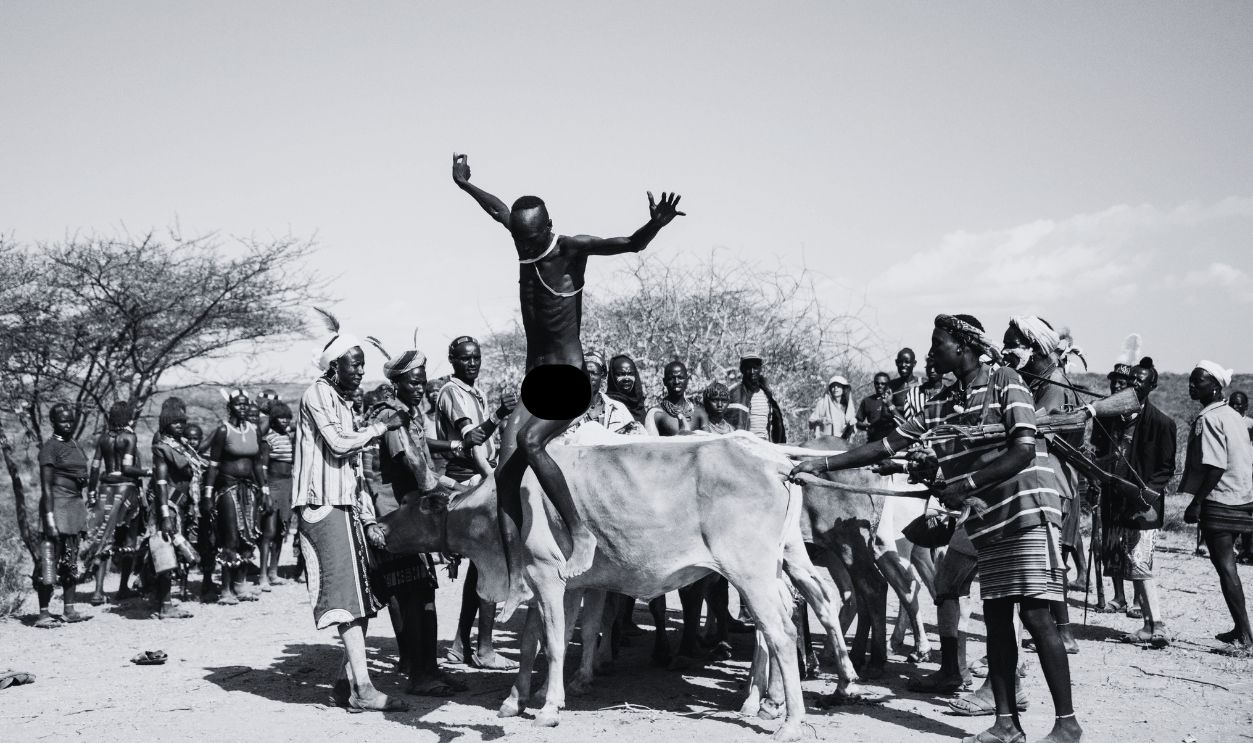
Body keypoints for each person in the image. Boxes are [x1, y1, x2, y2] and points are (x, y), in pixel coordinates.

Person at [791, 314, 1082, 743]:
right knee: (999, 621)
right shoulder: (943, 402)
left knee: (1037, 617)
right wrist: (824, 463)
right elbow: (888, 444)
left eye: (939, 343)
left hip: (1026, 509)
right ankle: (1006, 724)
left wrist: (963, 484)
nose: (932, 351)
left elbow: (1022, 449)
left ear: (963, 346)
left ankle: (1067, 724)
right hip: (988, 519)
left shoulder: (1005, 381)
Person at [453, 153, 685, 587]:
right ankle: (513, 577)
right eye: (517, 238)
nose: (521, 245)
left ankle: (581, 533)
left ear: (546, 226)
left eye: (528, 237)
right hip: (535, 382)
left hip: (569, 380)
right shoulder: (522, 237)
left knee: (530, 440)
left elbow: (631, 244)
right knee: (505, 474)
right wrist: (465, 184)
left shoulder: (571, 249)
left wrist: (656, 223)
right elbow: (498, 210)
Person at [294, 322, 408, 711]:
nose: (360, 371)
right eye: (354, 364)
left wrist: (367, 515)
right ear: (333, 366)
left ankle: (349, 681)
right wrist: (379, 426)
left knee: (362, 594)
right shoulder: (317, 394)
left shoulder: (342, 401)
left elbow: (352, 470)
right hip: (323, 505)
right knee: (347, 597)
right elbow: (341, 445)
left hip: (343, 505)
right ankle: (362, 688)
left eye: (362, 365)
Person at [371, 340, 468, 697]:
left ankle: (423, 667)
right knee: (416, 595)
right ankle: (422, 674)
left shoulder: (408, 414)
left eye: (423, 381)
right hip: (396, 520)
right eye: (413, 382)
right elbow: (421, 474)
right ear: (397, 383)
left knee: (415, 593)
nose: (420, 387)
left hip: (410, 515)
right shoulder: (390, 417)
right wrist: (461, 489)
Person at [437, 335, 518, 670]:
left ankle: (459, 644)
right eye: (465, 358)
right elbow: (472, 441)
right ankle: (484, 649)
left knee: (477, 571)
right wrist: (491, 479)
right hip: (469, 480)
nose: (472, 363)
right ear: (453, 360)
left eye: (476, 358)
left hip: (479, 476)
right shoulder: (452, 393)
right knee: (489, 562)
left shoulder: (475, 392)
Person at [1002, 316, 1082, 654]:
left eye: (1011, 344)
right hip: (1048, 480)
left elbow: (1038, 429)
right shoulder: (1041, 381)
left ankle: (1063, 635)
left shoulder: (1054, 385)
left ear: (1031, 347)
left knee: (1053, 563)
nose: (1006, 350)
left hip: (1054, 482)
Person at [1089, 361, 1175, 647]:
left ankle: (1157, 625)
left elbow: (1165, 468)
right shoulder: (1113, 418)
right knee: (1129, 562)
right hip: (1116, 502)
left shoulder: (1162, 423)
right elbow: (1100, 452)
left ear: (1152, 386)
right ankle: (1149, 625)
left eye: (1141, 382)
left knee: (1141, 563)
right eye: (1132, 381)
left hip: (1143, 505)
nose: (1135, 385)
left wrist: (1148, 494)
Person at [1180, 361, 1253, 652]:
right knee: (1227, 567)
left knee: (1225, 567)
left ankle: (1245, 636)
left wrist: (1196, 503)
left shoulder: (1208, 419)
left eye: (1198, 381)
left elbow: (1215, 466)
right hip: (1242, 497)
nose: (1191, 386)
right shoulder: (1232, 415)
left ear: (1215, 386)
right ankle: (1241, 629)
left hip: (1220, 500)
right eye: (1190, 380)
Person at [200, 389, 267, 604]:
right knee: (230, 537)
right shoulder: (223, 431)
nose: (244, 408)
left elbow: (257, 464)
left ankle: (241, 584)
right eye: (239, 404)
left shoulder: (254, 430)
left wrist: (264, 491)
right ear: (230, 408)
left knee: (249, 536)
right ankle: (226, 590)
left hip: (250, 489)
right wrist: (208, 495)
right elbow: (213, 466)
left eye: (246, 404)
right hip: (228, 488)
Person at [83, 401, 150, 606]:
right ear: (128, 417)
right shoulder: (129, 437)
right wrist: (149, 472)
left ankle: (97, 592)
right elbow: (128, 469)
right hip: (126, 491)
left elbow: (95, 467)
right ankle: (122, 589)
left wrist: (92, 493)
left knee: (105, 538)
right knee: (129, 542)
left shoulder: (104, 438)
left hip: (105, 490)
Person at [34, 403, 92, 628]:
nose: (68, 424)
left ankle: (69, 609)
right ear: (53, 422)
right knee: (50, 559)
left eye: (70, 420)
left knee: (71, 559)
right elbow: (46, 486)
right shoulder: (50, 448)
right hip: (56, 505)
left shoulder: (74, 444)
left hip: (75, 505)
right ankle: (43, 613)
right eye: (62, 421)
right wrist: (49, 519)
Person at [145, 398, 197, 619]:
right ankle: (165, 605)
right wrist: (166, 514)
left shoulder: (182, 445)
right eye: (175, 422)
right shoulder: (162, 448)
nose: (180, 425)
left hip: (181, 503)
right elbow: (161, 482)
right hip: (168, 504)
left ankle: (159, 599)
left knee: (172, 552)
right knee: (165, 552)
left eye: (182, 422)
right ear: (166, 423)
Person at [559, 351, 640, 440]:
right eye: (584, 373)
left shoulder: (618, 409)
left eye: (593, 373)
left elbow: (636, 439)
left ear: (603, 375)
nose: (589, 377)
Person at [260, 401, 295, 590]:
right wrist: (264, 490)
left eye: (287, 417)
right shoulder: (268, 439)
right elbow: (263, 468)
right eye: (280, 417)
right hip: (272, 485)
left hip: (288, 486)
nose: (284, 420)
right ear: (273, 419)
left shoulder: (289, 437)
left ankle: (274, 571)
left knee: (282, 530)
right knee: (269, 531)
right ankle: (263, 574)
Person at [726, 349, 786, 443]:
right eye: (748, 368)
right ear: (742, 370)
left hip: (766, 445)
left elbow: (776, 425)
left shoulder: (767, 395)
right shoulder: (733, 394)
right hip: (744, 446)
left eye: (755, 367)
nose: (752, 371)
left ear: (760, 369)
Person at [1227, 391, 1253, 564]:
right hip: (1230, 474)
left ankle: (1248, 551)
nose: (1236, 408)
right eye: (1233, 405)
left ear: (1246, 406)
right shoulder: (1225, 422)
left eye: (1239, 405)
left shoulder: (1250, 424)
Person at [644, 361, 697, 435]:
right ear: (664, 381)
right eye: (671, 378)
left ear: (687, 380)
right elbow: (650, 444)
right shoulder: (656, 414)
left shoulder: (699, 413)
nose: (676, 382)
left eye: (680, 377)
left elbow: (710, 444)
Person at [808, 375, 855, 441]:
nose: (835, 388)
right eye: (833, 386)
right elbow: (812, 421)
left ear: (843, 388)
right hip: (824, 443)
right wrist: (821, 420)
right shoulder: (822, 403)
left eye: (838, 386)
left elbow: (852, 427)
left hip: (843, 443)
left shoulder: (848, 406)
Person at [606, 354, 649, 426]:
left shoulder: (639, 404)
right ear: (613, 377)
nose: (626, 378)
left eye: (630, 374)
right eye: (621, 374)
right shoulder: (607, 404)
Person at [856, 373, 896, 443]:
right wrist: (864, 426)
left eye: (883, 384)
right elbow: (858, 422)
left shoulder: (895, 399)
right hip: (873, 441)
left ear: (888, 384)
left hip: (892, 442)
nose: (879, 386)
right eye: (877, 383)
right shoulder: (867, 401)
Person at [889, 347, 926, 420]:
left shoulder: (923, 383)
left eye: (907, 362)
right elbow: (886, 413)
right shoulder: (891, 386)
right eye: (900, 362)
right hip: (896, 428)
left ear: (914, 363)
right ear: (896, 362)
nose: (903, 365)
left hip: (920, 428)